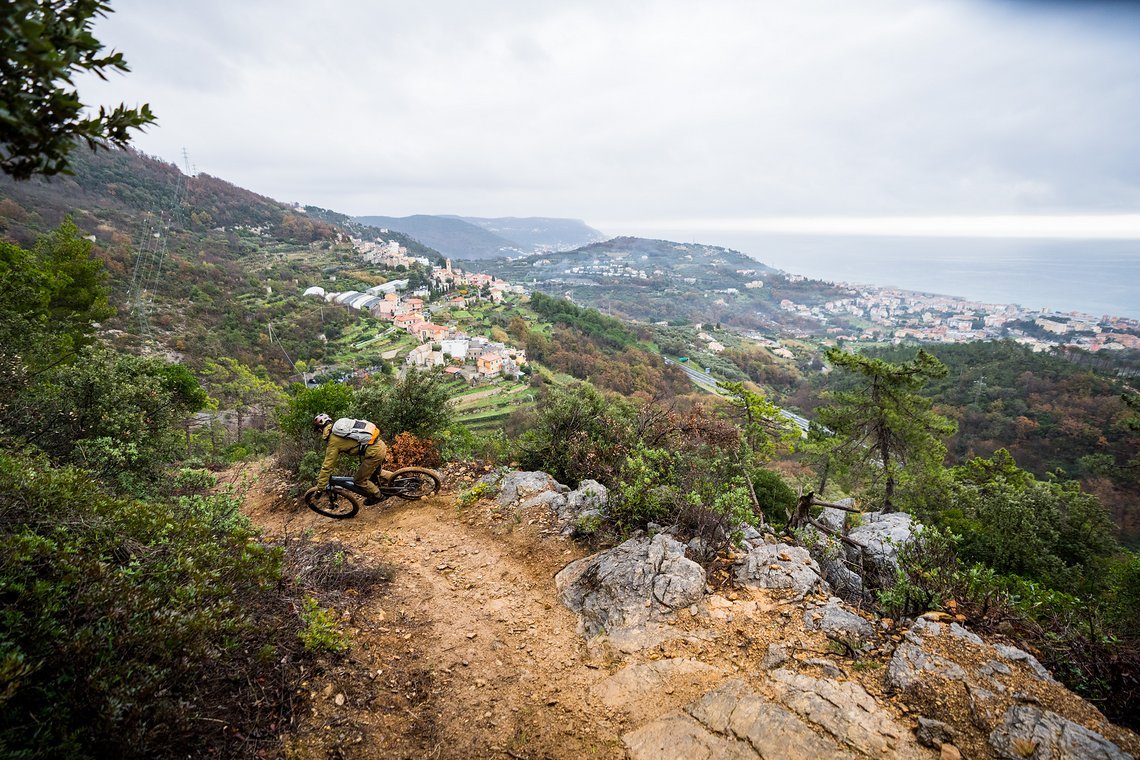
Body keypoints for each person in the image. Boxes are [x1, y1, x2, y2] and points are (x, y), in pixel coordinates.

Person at [312, 413, 388, 503]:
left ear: (320, 429)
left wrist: (320, 488)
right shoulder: (340, 428)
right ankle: (399, 480)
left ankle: (378, 496)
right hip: (379, 444)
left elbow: (327, 466)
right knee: (376, 473)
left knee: (359, 480)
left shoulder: (333, 441)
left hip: (374, 453)